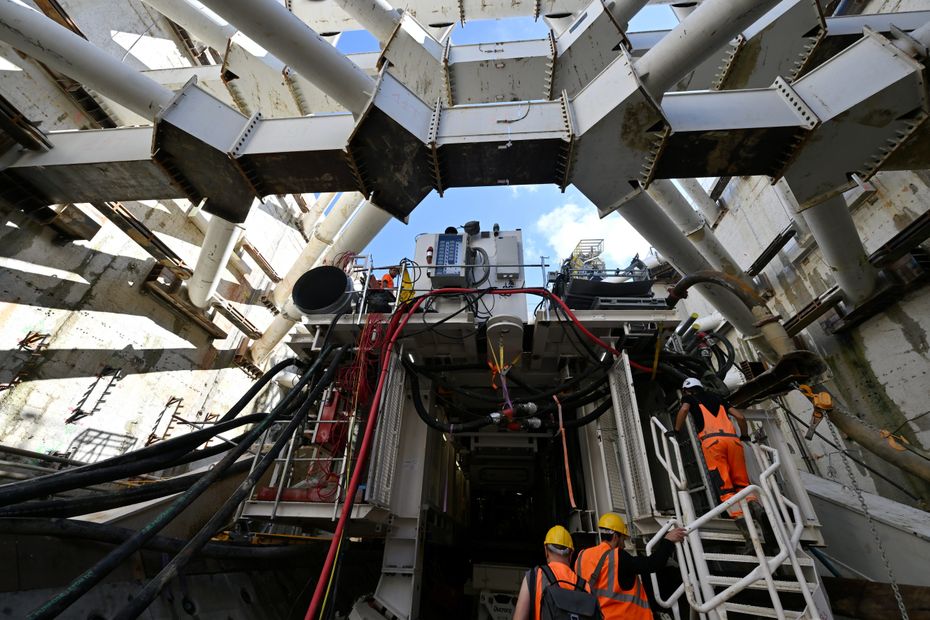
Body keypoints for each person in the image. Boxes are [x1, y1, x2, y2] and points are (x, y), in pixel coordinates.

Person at [574, 513, 686, 619]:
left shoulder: (582, 556)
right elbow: (652, 564)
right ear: (615, 537)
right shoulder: (617, 556)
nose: (623, 544)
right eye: (623, 538)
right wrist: (668, 541)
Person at [513, 525, 601, 620]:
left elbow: (519, 617)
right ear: (571, 554)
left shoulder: (535, 576)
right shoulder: (585, 587)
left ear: (546, 550)